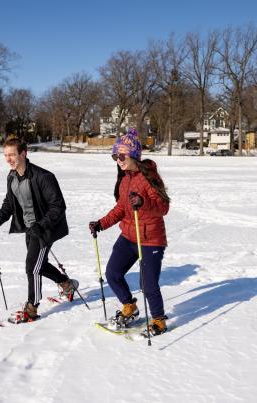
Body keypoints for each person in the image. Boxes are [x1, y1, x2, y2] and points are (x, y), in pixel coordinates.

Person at [0, 138, 78, 321]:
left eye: (12, 154)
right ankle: (67, 284)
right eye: (5, 155)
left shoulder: (43, 176)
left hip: (46, 229)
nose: (8, 159)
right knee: (38, 264)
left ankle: (32, 307)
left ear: (23, 153)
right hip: (29, 229)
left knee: (32, 267)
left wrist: (40, 226)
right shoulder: (11, 177)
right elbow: (9, 206)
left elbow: (58, 206)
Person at [89, 128, 171, 336]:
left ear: (134, 155)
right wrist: (101, 223)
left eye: (122, 155)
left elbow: (163, 208)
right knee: (113, 274)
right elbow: (120, 209)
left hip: (151, 239)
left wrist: (143, 203)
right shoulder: (125, 180)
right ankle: (129, 306)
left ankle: (159, 320)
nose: (118, 159)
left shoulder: (149, 177)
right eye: (115, 156)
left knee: (148, 284)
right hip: (128, 236)